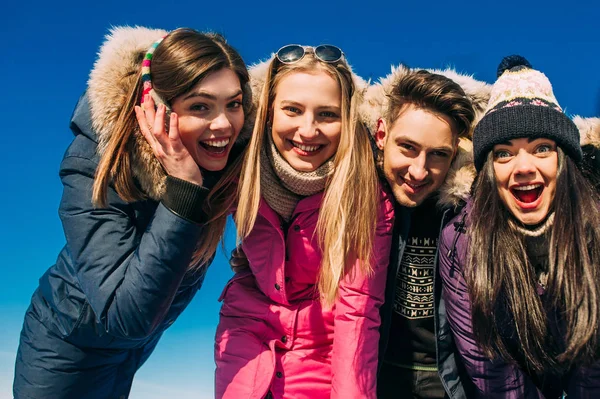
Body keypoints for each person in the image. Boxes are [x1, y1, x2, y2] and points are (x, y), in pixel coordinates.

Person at [13, 26, 252, 399]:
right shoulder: (96, 164)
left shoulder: (218, 154)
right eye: (200, 106)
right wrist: (183, 191)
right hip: (65, 352)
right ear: (157, 108)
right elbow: (126, 316)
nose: (223, 124)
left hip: (133, 350)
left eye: (233, 104)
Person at [215, 44, 394, 399]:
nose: (307, 130)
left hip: (324, 352)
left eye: (327, 114)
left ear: (348, 120)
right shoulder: (237, 173)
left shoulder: (367, 197)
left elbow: (357, 311)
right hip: (246, 339)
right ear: (268, 113)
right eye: (292, 110)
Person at [438, 55, 600, 398]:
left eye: (542, 148)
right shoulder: (463, 242)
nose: (524, 167)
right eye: (504, 153)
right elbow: (491, 370)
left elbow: (594, 368)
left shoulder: (595, 230)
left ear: (565, 162)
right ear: (489, 173)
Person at [363, 67, 483, 399]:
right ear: (381, 134)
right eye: (408, 147)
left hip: (450, 383)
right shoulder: (356, 196)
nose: (418, 171)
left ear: (455, 153)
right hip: (374, 374)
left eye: (438, 155)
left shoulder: (468, 212)